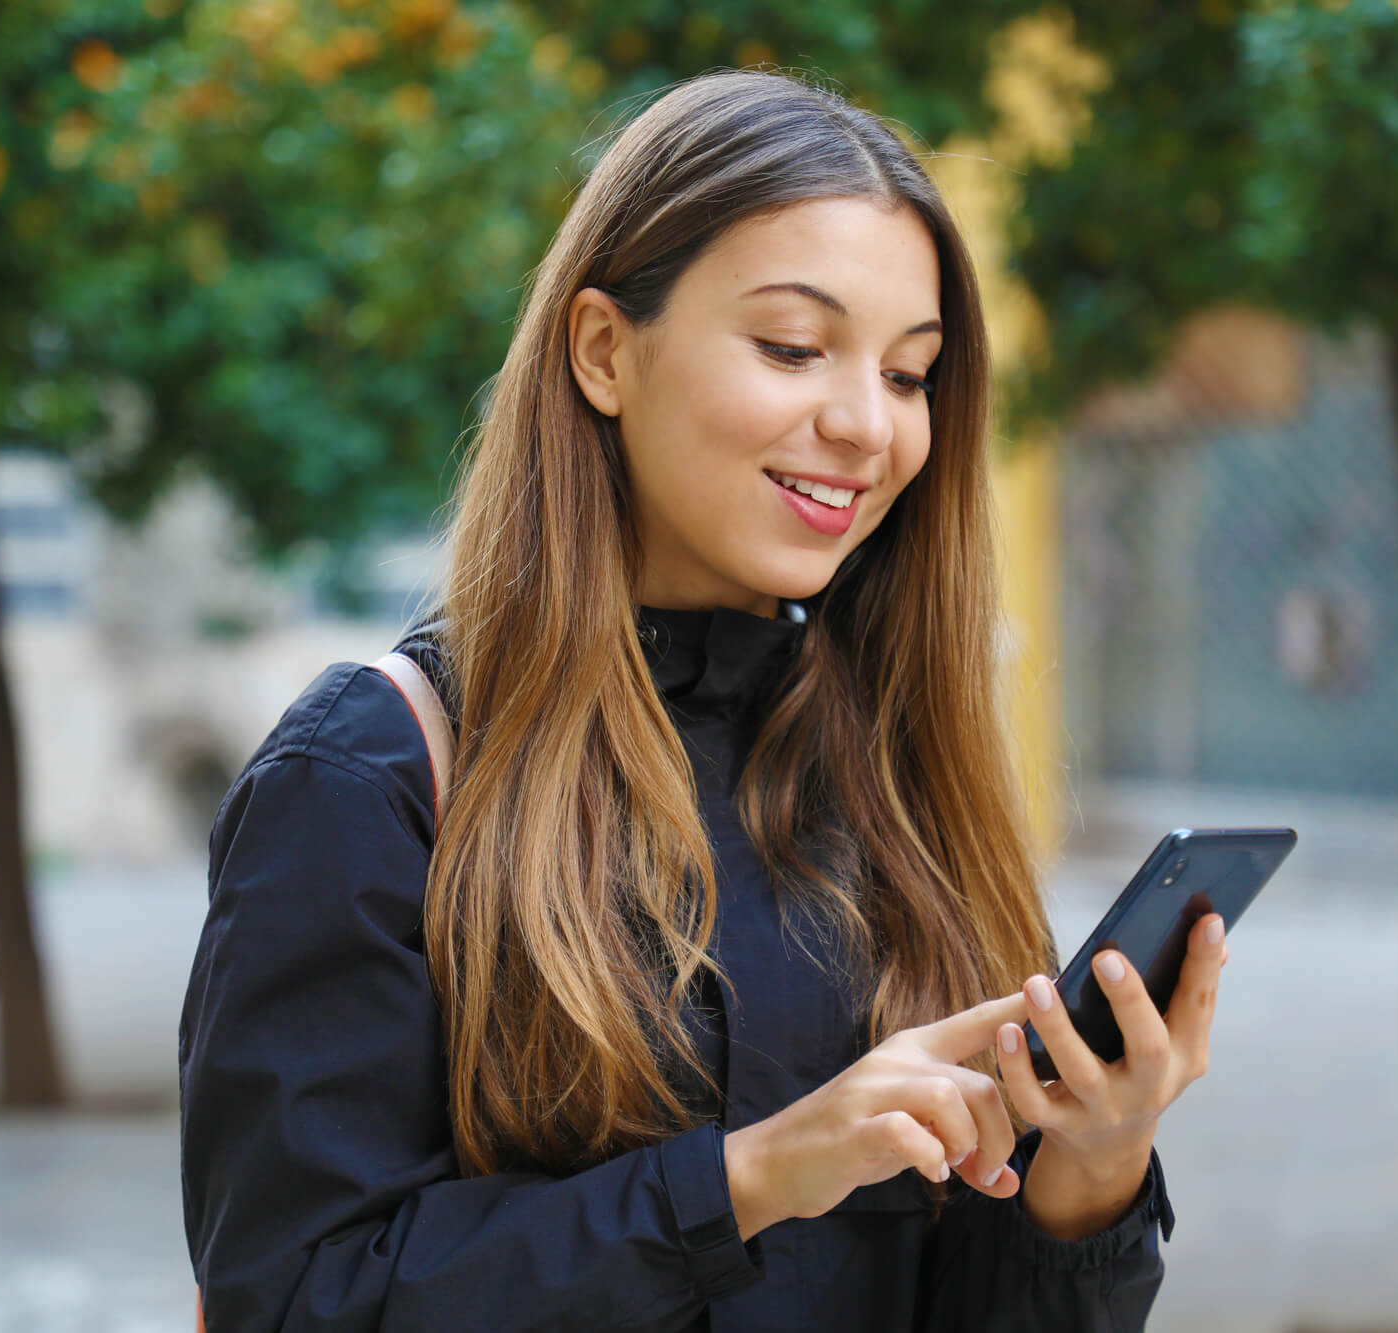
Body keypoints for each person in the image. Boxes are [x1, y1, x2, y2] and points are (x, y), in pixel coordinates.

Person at [180, 67, 1227, 1331]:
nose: (864, 424)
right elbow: (295, 1301)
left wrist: (1093, 1169)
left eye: (910, 375)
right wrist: (750, 1178)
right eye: (793, 347)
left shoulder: (892, 778)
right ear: (604, 351)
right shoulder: (371, 774)